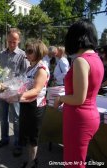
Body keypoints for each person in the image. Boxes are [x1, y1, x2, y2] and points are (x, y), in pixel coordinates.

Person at [54, 19, 104, 168]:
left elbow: (78, 98)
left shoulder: (81, 61)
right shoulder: (97, 59)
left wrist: (60, 98)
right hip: (90, 115)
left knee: (73, 163)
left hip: (79, 119)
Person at [0, 28, 29, 157]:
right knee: (3, 118)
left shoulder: (22, 55)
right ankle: (4, 139)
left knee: (16, 119)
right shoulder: (2, 54)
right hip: (2, 90)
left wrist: (8, 85)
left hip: (14, 92)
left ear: (19, 40)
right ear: (6, 40)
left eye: (14, 41)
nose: (12, 44)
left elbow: (24, 77)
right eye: (9, 41)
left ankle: (18, 145)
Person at [17, 40, 49, 168]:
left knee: (33, 138)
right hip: (27, 104)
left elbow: (36, 90)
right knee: (27, 135)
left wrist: (16, 97)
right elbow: (26, 85)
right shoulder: (31, 66)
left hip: (35, 107)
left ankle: (32, 163)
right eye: (26, 50)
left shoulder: (41, 69)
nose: (27, 53)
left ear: (38, 52)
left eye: (30, 51)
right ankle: (30, 159)